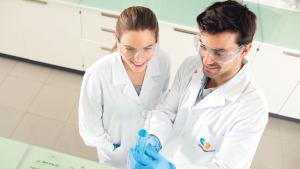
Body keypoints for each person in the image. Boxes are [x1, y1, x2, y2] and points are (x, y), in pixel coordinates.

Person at [129, 1, 268, 169]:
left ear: (245, 50)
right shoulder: (190, 66)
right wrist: (155, 139)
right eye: (203, 46)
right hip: (163, 156)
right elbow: (167, 111)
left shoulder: (252, 108)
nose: (206, 60)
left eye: (219, 52)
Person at [78, 6, 170, 168]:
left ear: (157, 41)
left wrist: (154, 139)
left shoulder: (163, 61)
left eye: (148, 48)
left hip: (147, 153)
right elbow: (90, 129)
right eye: (130, 49)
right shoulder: (97, 75)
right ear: (118, 41)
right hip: (115, 158)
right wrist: (113, 147)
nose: (139, 58)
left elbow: (162, 106)